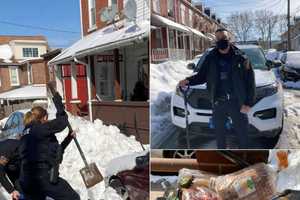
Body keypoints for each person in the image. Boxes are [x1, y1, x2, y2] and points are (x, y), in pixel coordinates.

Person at [179, 28, 255, 149]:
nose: (221, 41)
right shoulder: (210, 57)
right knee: (219, 136)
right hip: (218, 102)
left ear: (229, 39)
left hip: (237, 102)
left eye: (223, 38)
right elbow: (201, 76)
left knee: (243, 134)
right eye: (218, 38)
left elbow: (250, 82)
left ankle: (245, 156)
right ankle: (223, 158)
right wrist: (188, 80)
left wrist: (248, 102)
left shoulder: (242, 57)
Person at [19, 91, 80, 200]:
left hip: (27, 181)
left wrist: (68, 138)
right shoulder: (39, 128)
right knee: (73, 198)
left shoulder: (25, 133)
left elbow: (51, 152)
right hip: (42, 178)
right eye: (47, 118)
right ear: (43, 118)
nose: (47, 121)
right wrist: (57, 100)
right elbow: (62, 122)